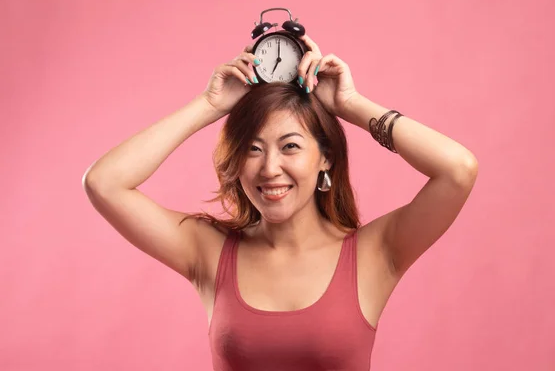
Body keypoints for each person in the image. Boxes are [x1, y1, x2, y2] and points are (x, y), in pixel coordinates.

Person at [83, 34, 478, 371]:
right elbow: (105, 183)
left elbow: (457, 169)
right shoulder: (208, 251)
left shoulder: (376, 252)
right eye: (253, 149)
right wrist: (208, 105)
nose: (270, 168)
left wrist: (352, 105)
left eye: (290, 146)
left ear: (325, 157)